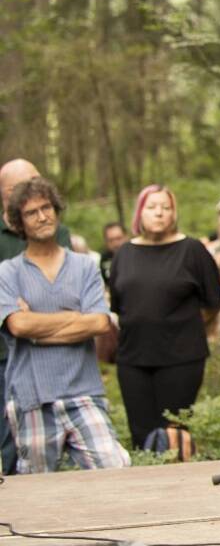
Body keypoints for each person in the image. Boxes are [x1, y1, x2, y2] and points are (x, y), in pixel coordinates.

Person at [0, 178, 130, 473]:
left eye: (47, 208)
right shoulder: (8, 272)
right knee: (35, 486)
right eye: (32, 212)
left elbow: (98, 322)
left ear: (57, 210)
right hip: (31, 396)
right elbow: (18, 326)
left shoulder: (83, 266)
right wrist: (74, 316)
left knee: (114, 466)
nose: (42, 216)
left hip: (83, 391)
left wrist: (38, 331)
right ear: (19, 222)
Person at [109, 185, 220, 448]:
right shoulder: (124, 254)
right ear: (140, 213)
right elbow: (118, 305)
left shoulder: (192, 250)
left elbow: (213, 302)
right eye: (151, 207)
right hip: (133, 360)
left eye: (166, 207)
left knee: (174, 435)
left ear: (174, 213)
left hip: (181, 358)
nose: (159, 213)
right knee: (142, 438)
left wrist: (184, 326)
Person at [0, 158, 74, 475]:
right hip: (5, 357)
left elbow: (70, 295)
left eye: (37, 180)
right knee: (9, 442)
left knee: (51, 442)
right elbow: (13, 315)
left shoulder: (60, 231)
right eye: (21, 186)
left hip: (55, 353)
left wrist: (35, 314)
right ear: (6, 194)